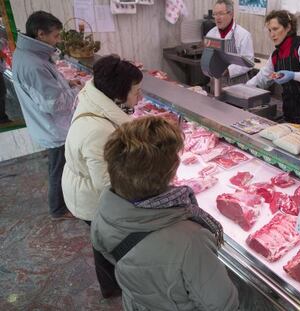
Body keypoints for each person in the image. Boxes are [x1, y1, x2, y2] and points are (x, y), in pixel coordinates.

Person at [91, 116, 239, 311]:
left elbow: (109, 255)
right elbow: (222, 304)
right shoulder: (191, 240)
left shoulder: (104, 208)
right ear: (169, 173)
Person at [62, 54, 143, 298]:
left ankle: (111, 285)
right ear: (118, 93)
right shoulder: (98, 130)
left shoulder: (96, 100)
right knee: (106, 244)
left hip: (80, 181)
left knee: (101, 242)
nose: (140, 97)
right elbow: (107, 185)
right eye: (136, 91)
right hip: (90, 198)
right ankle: (114, 288)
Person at [12, 11, 80, 219]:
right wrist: (78, 93)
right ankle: (58, 209)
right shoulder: (33, 64)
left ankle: (61, 204)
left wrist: (66, 84)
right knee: (58, 168)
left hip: (47, 125)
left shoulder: (28, 54)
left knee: (57, 165)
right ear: (41, 34)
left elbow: (44, 89)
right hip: (54, 128)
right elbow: (53, 104)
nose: (58, 40)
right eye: (55, 35)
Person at [247, 10, 300, 132]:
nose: (272, 34)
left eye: (275, 29)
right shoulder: (276, 55)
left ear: (288, 27)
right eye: (269, 30)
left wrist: (293, 75)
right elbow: (263, 77)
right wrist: (243, 90)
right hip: (291, 112)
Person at [206, 0, 254, 85]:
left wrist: (228, 70)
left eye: (221, 13)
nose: (217, 17)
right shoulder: (211, 34)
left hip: (238, 83)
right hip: (216, 81)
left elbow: (249, 62)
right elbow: (208, 56)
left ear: (231, 14)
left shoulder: (243, 35)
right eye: (215, 14)